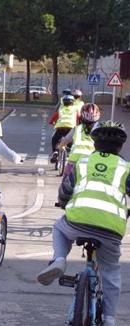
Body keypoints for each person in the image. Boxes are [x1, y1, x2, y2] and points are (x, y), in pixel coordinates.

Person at [37, 121, 129, 326]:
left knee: (60, 228)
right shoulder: (126, 168)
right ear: (120, 146)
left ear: (94, 143)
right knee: (111, 274)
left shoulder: (83, 163)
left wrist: (63, 203)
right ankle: (109, 320)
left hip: (77, 221)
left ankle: (59, 260)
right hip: (110, 229)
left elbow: (65, 190)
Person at [58, 103, 100, 176]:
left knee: (66, 182)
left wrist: (61, 146)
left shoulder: (77, 129)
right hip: (92, 160)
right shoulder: (100, 130)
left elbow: (65, 140)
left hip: (74, 159)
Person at [49, 94, 79, 163]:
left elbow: (52, 120)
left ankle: (55, 152)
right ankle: (68, 152)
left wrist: (52, 123)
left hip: (60, 127)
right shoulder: (75, 109)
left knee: (54, 139)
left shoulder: (60, 109)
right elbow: (79, 118)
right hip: (71, 128)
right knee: (71, 139)